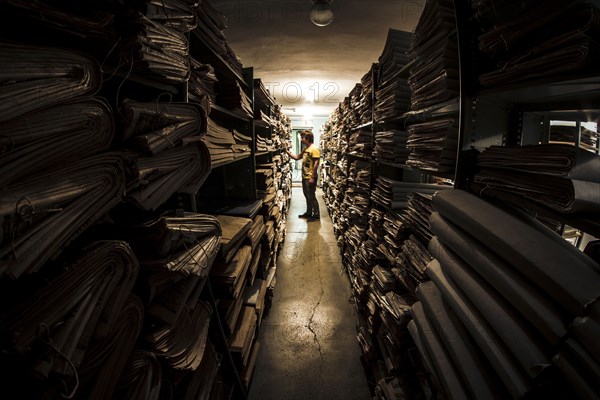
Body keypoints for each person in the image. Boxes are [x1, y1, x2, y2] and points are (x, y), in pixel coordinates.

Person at [286, 130, 321, 221]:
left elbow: (316, 164)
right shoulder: (306, 149)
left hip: (310, 177)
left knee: (311, 196)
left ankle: (316, 215)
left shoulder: (314, 149)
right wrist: (287, 152)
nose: (301, 139)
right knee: (307, 195)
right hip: (305, 176)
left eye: (302, 138)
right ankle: (309, 212)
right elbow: (297, 157)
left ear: (308, 138)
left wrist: (312, 177)